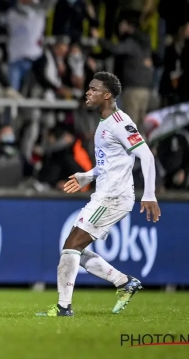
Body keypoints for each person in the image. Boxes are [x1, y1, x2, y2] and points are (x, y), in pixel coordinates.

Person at [41, 71, 161, 317]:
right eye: (89, 87)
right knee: (73, 248)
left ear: (107, 95)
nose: (88, 92)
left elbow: (146, 155)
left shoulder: (120, 122)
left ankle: (64, 307)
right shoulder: (104, 123)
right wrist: (88, 176)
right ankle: (123, 282)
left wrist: (149, 194)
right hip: (105, 194)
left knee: (71, 245)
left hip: (113, 197)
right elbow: (109, 164)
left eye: (94, 89)